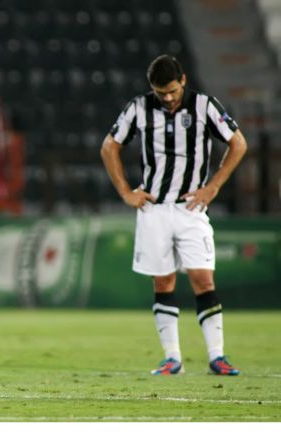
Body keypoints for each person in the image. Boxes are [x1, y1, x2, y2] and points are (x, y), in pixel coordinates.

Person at [100, 54, 247, 376]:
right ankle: (172, 358)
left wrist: (213, 186)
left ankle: (217, 356)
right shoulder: (139, 107)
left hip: (191, 208)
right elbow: (109, 146)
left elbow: (238, 143)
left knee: (203, 278)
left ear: (183, 81)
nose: (166, 98)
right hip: (154, 209)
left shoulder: (204, 106)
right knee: (163, 280)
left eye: (171, 91)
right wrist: (125, 192)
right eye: (160, 92)